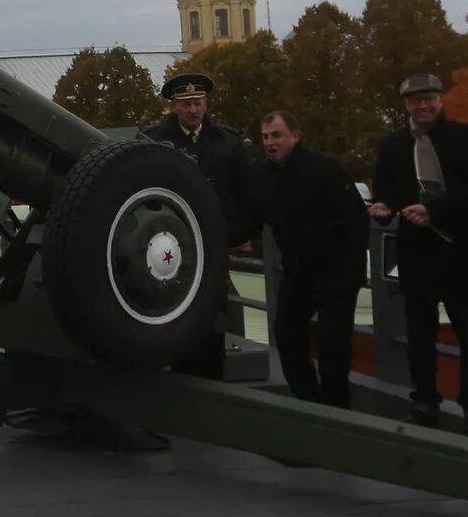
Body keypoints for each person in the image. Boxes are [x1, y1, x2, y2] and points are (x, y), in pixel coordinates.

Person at [367, 70, 468, 432]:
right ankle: (424, 400)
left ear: (441, 100)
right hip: (416, 254)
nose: (423, 106)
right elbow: (388, 190)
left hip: (462, 252)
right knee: (419, 334)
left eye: (430, 99)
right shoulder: (393, 145)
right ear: (406, 104)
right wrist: (383, 208)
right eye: (415, 100)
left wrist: (435, 211)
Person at [143, 70, 266, 362]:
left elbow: (245, 194)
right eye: (186, 104)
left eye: (198, 102)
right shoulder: (153, 141)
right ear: (175, 106)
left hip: (215, 243)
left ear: (206, 104)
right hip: (169, 243)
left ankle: (209, 369)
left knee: (212, 309)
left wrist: (239, 235)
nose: (194, 110)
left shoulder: (228, 143)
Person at [257, 109, 366, 407]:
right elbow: (251, 220)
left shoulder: (324, 168)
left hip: (336, 270)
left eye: (276, 135)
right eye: (265, 137)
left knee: (333, 340)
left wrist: (352, 274)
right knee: (286, 333)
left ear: (295, 136)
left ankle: (336, 407)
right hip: (298, 272)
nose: (269, 142)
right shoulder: (263, 176)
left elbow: (356, 220)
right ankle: (310, 400)